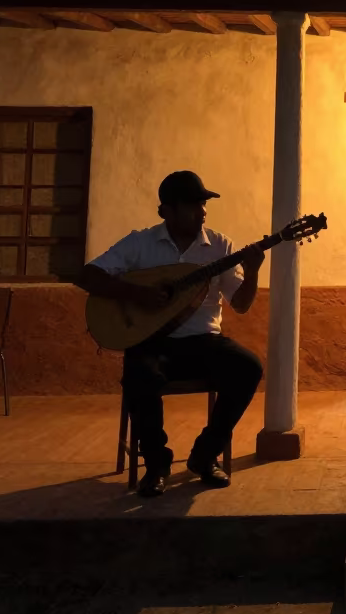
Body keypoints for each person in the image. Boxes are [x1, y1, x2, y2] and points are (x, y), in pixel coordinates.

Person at [76, 171, 264, 498]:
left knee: (248, 367)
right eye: (193, 205)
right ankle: (156, 465)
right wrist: (138, 295)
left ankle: (205, 456)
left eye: (204, 204)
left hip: (204, 343)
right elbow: (89, 276)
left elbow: (242, 305)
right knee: (140, 376)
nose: (202, 212)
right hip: (151, 342)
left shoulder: (219, 246)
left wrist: (253, 272)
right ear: (167, 211)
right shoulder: (140, 243)